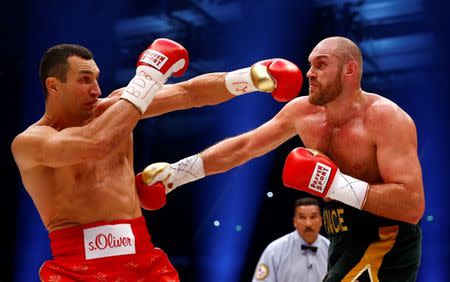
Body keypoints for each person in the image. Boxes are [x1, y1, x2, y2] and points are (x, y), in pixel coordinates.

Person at [11, 38, 302, 281]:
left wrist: (249, 78)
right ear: (53, 86)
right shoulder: (31, 143)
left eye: (96, 79)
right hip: (78, 269)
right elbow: (95, 144)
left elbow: (189, 93)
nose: (96, 90)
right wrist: (148, 75)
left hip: (143, 259)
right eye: (84, 80)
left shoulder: (117, 107)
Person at [140, 36, 425, 281]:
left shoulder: (386, 118)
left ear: (350, 70)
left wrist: (334, 185)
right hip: (340, 236)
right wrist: (177, 174)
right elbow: (245, 146)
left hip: (386, 239)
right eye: (310, 64)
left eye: (321, 64)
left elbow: (412, 206)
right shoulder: (302, 113)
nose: (310, 73)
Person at [252, 197, 329, 282]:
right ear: (294, 222)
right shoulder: (274, 250)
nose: (308, 224)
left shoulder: (331, 249)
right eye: (302, 217)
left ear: (321, 221)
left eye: (313, 217)